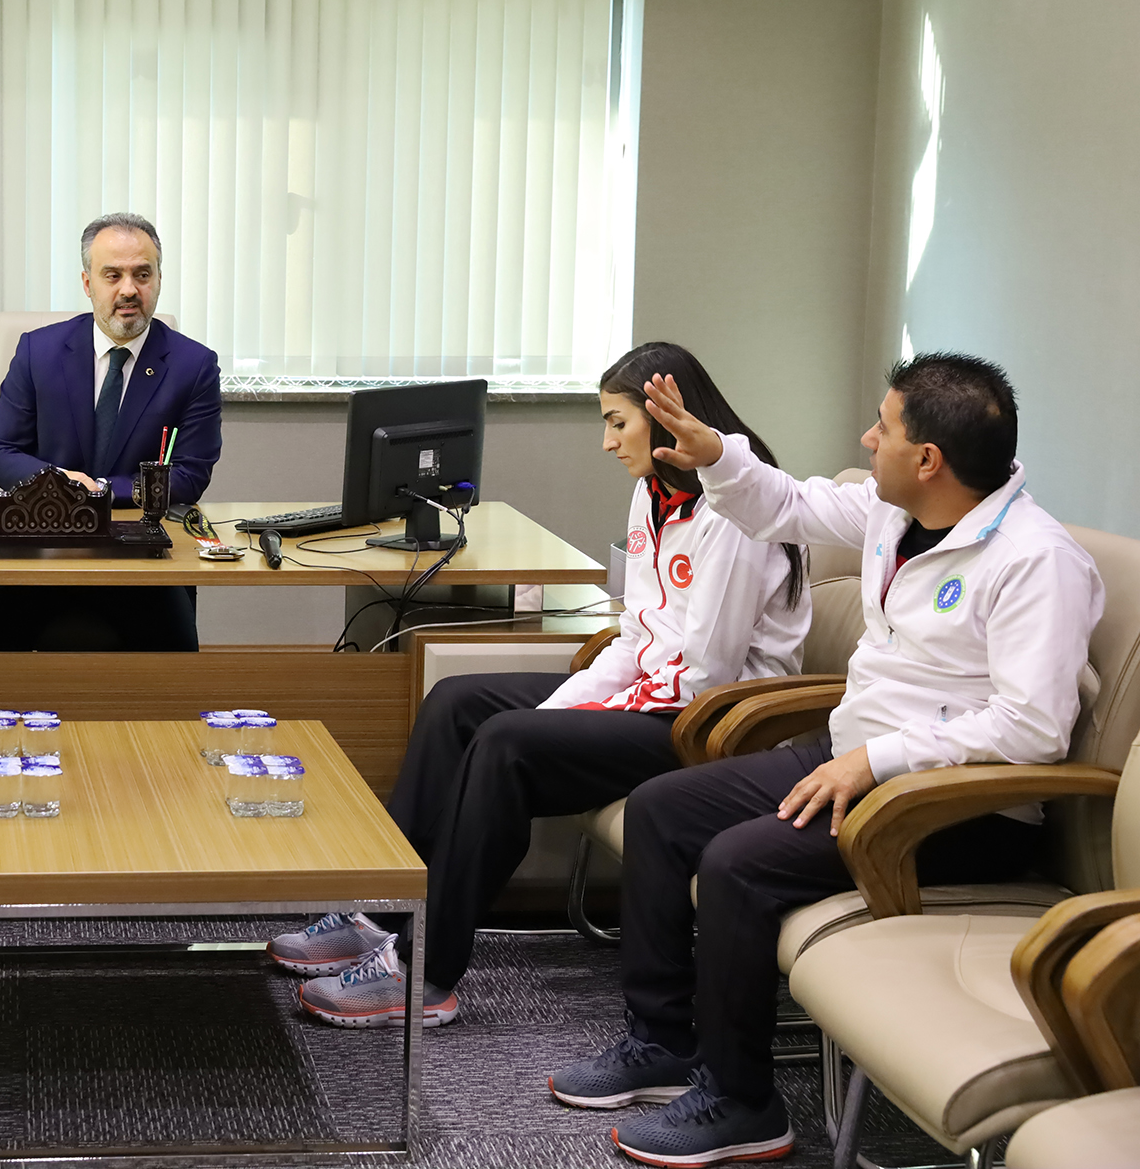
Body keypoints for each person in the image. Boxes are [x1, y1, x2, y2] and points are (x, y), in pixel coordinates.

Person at [550, 353, 1102, 1168]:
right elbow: (788, 503)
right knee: (665, 807)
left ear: (928, 459)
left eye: (883, 427)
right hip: (855, 761)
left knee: (737, 862)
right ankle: (663, 1043)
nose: (867, 437)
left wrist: (879, 760)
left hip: (956, 809)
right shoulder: (892, 512)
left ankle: (744, 1102)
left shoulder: (1035, 561)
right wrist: (716, 454)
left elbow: (1033, 728)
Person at [267, 343, 812, 1030]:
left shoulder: (734, 510)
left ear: (665, 416)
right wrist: (566, 703)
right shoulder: (654, 491)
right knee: (457, 703)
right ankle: (380, 913)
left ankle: (426, 973)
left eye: (617, 422)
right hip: (657, 692)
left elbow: (706, 674)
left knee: (507, 743)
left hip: (713, 726)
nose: (607, 441)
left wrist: (575, 712)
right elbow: (637, 636)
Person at [0, 211, 224, 651]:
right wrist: (60, 485)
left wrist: (99, 490)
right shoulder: (39, 351)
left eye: (143, 274)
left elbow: (190, 474)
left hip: (139, 558)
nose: (129, 289)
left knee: (174, 663)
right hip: (38, 546)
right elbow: (0, 451)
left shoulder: (193, 366)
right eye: (113, 275)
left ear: (159, 280)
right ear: (88, 283)